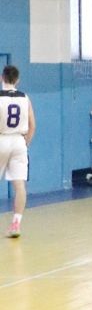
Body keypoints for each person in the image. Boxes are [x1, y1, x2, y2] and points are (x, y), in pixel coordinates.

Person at [0, 65, 36, 238]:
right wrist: (25, 143)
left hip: (2, 139)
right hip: (19, 142)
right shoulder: (25, 97)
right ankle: (15, 225)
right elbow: (32, 125)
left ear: (2, 78)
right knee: (20, 186)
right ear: (17, 80)